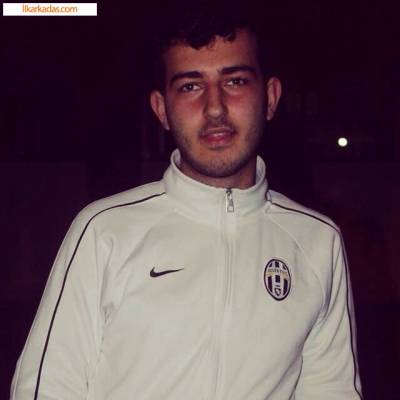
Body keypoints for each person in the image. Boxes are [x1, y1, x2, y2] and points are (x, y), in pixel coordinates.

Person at [11, 9, 363, 400]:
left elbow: (332, 390)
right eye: (190, 86)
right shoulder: (103, 229)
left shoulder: (318, 241)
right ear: (162, 109)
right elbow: (47, 387)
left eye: (235, 81)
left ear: (270, 97)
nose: (215, 108)